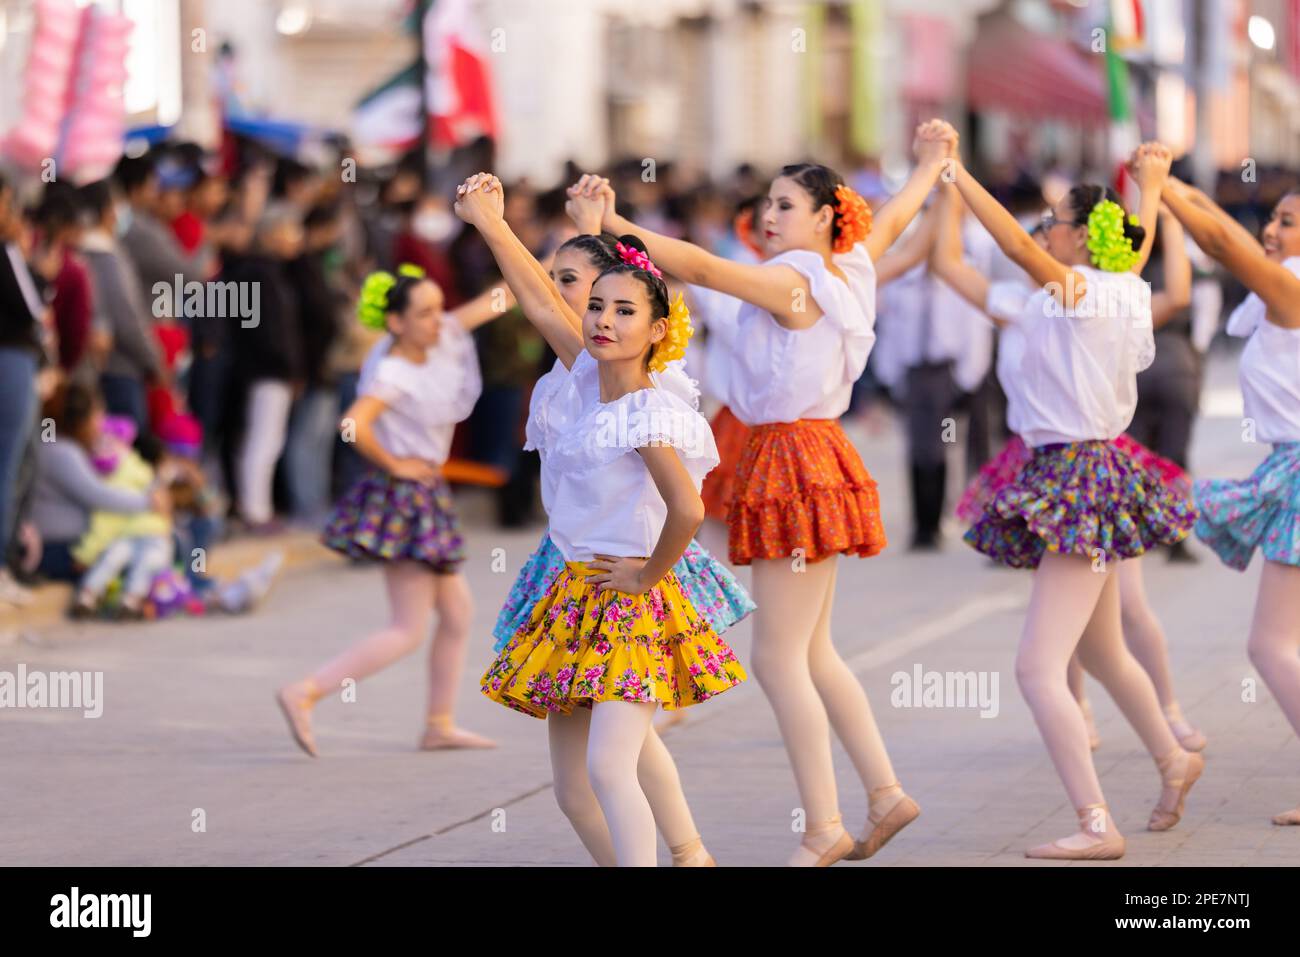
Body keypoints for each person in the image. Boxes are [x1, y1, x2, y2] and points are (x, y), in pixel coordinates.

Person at [569, 119, 960, 865]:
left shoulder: (799, 278)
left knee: (782, 659)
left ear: (824, 218)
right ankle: (881, 794)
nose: (771, 214)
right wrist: (932, 166)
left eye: (785, 203)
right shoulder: (844, 271)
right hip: (812, 454)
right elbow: (897, 217)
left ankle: (824, 825)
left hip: (794, 459)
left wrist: (616, 226)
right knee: (811, 652)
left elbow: (706, 270)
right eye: (769, 203)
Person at [459, 172, 746, 867]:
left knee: (612, 766)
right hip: (573, 591)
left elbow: (688, 507)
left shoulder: (647, 405)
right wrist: (491, 223)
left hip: (630, 601)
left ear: (654, 330)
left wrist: (648, 576)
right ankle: (688, 857)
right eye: (594, 307)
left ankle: (686, 853)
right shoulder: (583, 375)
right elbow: (535, 300)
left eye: (619, 309)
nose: (598, 319)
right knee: (574, 785)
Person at [949, 139, 1201, 859]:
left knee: (1037, 667)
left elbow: (1020, 251)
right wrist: (1150, 184)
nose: (1045, 227)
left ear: (1083, 236)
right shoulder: (1121, 285)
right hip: (1085, 468)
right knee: (1102, 648)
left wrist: (960, 174)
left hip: (1077, 473)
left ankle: (1097, 822)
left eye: (1056, 219)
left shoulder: (1085, 287)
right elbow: (1138, 238)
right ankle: (1172, 759)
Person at [275, 262, 503, 756]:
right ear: (396, 322)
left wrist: (552, 262)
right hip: (407, 499)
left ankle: (438, 724)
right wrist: (396, 463)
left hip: (423, 493)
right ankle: (306, 691)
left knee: (458, 613)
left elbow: (494, 302)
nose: (438, 320)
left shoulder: (436, 341)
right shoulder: (395, 370)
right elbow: (353, 425)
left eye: (439, 309)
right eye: (424, 313)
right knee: (407, 628)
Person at [1159, 174, 1300, 826]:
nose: (1272, 232)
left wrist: (1162, 189)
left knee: (1271, 647)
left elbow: (1219, 237)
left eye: (1288, 222)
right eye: (1273, 217)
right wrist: (1172, 183)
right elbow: (1221, 222)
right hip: (1285, 469)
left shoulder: (1291, 287)